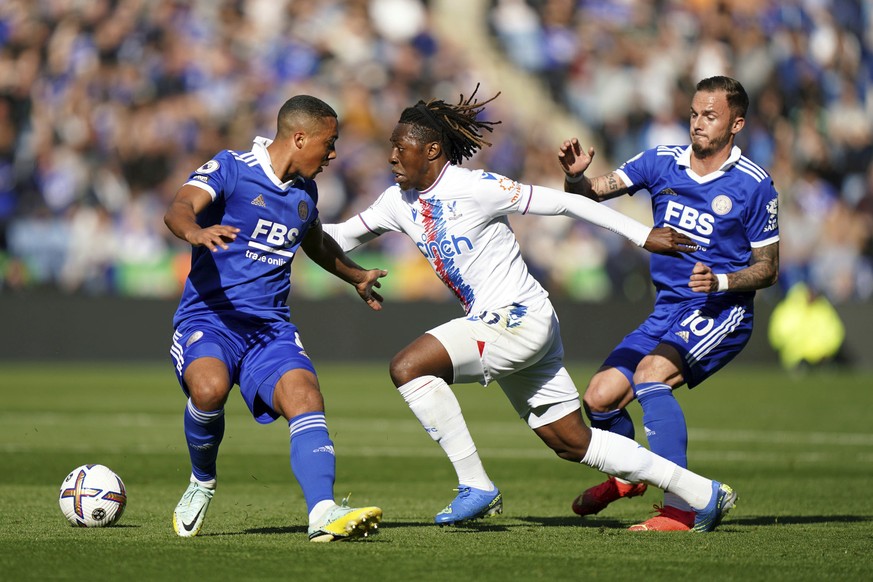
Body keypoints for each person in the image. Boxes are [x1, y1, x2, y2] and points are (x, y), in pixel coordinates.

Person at [324, 86, 736, 532]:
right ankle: (702, 493)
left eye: (399, 148)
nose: (390, 157)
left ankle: (476, 486)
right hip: (507, 324)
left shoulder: (477, 187)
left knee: (408, 367)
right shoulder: (395, 202)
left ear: (432, 150)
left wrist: (642, 235)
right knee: (573, 442)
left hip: (518, 317)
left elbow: (565, 202)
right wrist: (285, 224)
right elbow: (337, 238)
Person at [558, 75, 779, 531]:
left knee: (650, 375)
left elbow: (769, 267)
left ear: (736, 124)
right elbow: (591, 195)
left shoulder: (754, 186)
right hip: (667, 309)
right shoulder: (660, 161)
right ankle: (628, 477)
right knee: (599, 399)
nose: (698, 124)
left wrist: (721, 280)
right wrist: (575, 177)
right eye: (695, 114)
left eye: (710, 116)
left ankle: (682, 508)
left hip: (723, 310)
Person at [164, 95, 387, 542]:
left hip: (270, 330)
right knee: (209, 390)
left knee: (306, 397)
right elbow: (179, 207)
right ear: (300, 137)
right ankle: (201, 482)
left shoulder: (305, 191)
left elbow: (316, 242)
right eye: (330, 142)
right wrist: (196, 231)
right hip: (211, 318)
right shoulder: (231, 167)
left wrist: (356, 275)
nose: (334, 154)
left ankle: (322, 513)